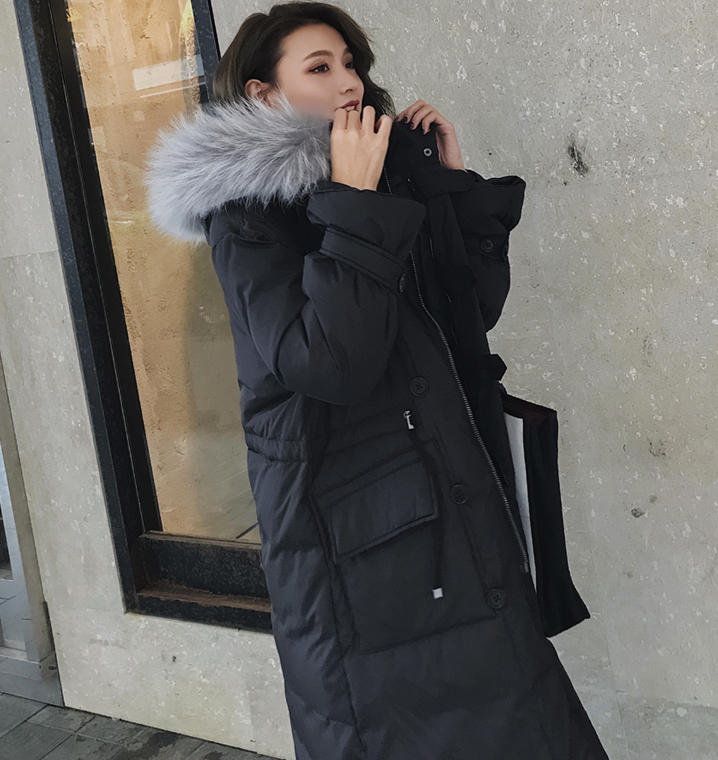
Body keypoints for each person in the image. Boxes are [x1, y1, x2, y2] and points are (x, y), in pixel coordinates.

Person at [144, 2, 610, 758]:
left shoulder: (382, 177)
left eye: (351, 63)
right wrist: (355, 204)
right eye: (320, 67)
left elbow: (468, 318)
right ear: (264, 92)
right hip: (353, 541)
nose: (349, 82)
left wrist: (450, 189)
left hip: (448, 499)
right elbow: (330, 363)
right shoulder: (246, 216)